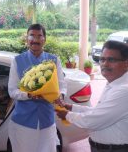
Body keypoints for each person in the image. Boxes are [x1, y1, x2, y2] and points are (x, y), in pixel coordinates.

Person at [56, 40, 128, 152]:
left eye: (111, 60)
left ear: (126, 63)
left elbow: (93, 121)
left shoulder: (124, 90)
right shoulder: (114, 83)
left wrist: (67, 115)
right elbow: (99, 112)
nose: (105, 64)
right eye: (102, 59)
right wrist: (73, 108)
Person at [8, 23, 67, 152]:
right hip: (23, 121)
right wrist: (28, 95)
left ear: (44, 39)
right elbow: (12, 90)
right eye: (32, 36)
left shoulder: (54, 60)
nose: (35, 39)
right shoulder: (17, 60)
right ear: (27, 39)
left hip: (47, 120)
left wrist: (60, 97)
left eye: (39, 36)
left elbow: (61, 85)